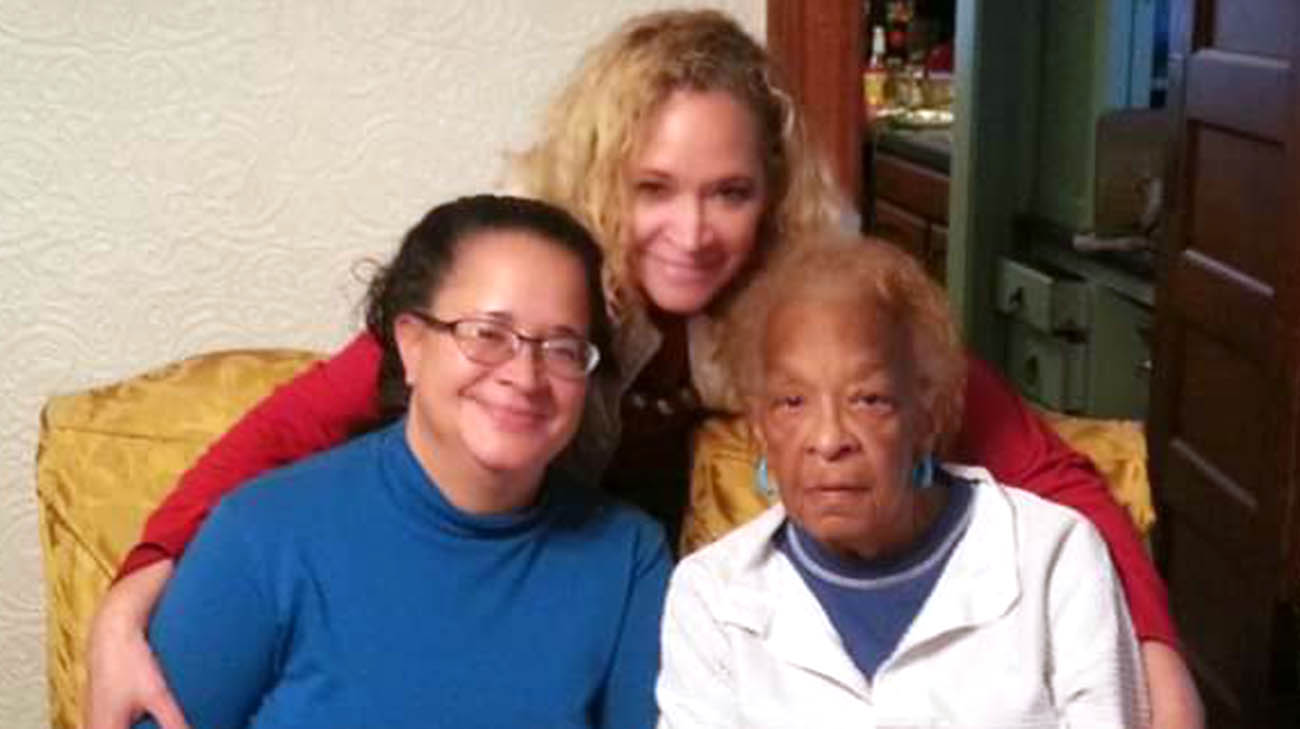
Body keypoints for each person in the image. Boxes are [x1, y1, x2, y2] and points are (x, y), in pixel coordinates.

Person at [85, 9, 1201, 729]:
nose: (692, 230)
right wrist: (137, 582)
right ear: (601, 177)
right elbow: (287, 433)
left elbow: (1047, 474)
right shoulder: (536, 302)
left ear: (772, 197)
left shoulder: (814, 317)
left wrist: (1154, 655)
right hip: (525, 587)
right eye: (653, 188)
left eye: (729, 192)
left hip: (644, 624)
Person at [131, 195, 670, 729]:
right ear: (412, 344)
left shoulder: (628, 557)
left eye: (562, 348)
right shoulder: (262, 534)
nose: (524, 377)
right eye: (487, 334)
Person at [657, 233, 1149, 727]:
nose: (828, 440)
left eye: (868, 400)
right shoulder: (710, 597)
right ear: (761, 427)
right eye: (792, 402)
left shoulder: (1053, 556)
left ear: (927, 416)